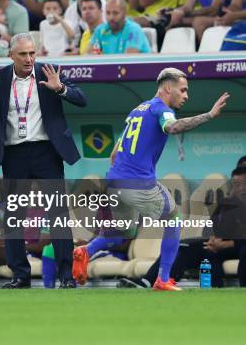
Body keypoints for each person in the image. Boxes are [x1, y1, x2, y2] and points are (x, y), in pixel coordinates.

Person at [73, 68, 230, 291]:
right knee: (174, 222)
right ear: (168, 88)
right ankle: (163, 279)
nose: (186, 96)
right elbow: (172, 127)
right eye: (183, 90)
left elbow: (114, 153)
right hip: (137, 182)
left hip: (115, 180)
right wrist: (209, 115)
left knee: (120, 232)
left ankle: (85, 251)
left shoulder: (138, 109)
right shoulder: (160, 109)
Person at [0, 32, 87, 288]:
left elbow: (82, 99)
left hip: (46, 151)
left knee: (58, 214)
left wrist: (61, 89)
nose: (28, 58)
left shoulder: (50, 72)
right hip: (14, 154)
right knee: (13, 216)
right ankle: (20, 275)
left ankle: (66, 276)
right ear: (11, 55)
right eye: (23, 54)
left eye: (32, 53)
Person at [119, 165, 246, 289]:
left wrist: (229, 244)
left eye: (244, 183)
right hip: (221, 246)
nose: (241, 188)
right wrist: (213, 239)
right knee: (183, 246)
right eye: (237, 185)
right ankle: (151, 281)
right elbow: (210, 227)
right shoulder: (227, 203)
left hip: (238, 247)